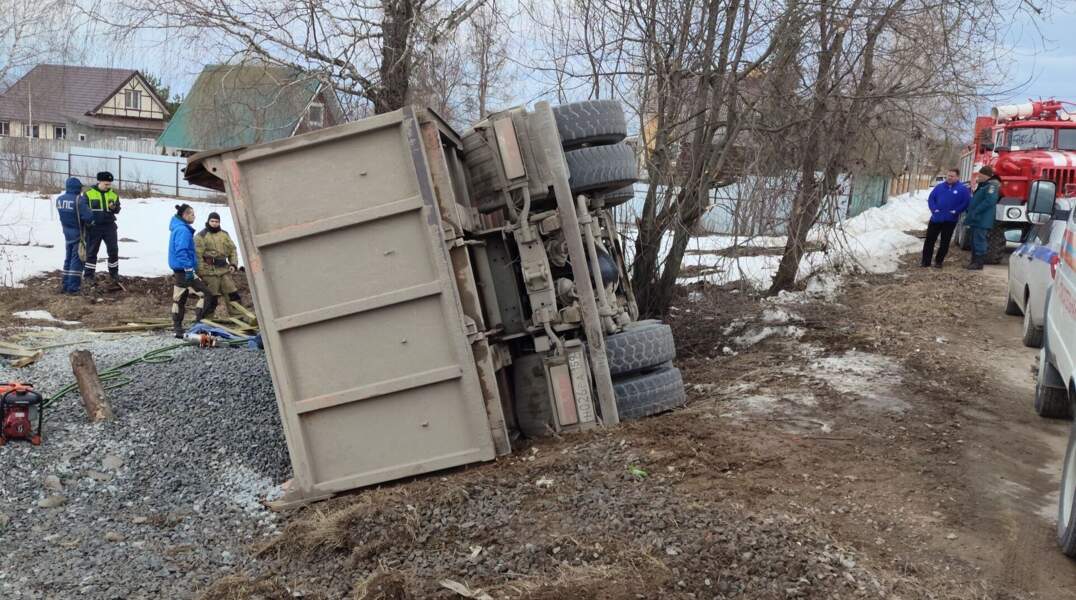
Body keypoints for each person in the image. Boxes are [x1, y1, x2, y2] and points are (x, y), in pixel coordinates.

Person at [169, 204, 215, 338]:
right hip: (184, 271)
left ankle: (178, 329)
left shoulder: (177, 228)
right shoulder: (183, 230)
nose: (194, 217)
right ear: (185, 215)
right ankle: (198, 325)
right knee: (206, 294)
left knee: (179, 299)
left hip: (179, 271)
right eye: (192, 214)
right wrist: (189, 269)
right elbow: (181, 251)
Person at [921, 168, 971, 268]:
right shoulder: (939, 187)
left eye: (952, 176)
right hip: (936, 218)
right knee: (929, 240)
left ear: (957, 177)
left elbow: (966, 202)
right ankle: (925, 262)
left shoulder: (962, 189)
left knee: (945, 242)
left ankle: (938, 262)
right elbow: (931, 199)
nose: (949, 178)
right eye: (948, 175)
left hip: (950, 220)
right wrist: (934, 209)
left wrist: (956, 211)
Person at [194, 212, 241, 316]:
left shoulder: (224, 234)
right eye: (212, 221)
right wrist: (200, 272)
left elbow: (232, 250)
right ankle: (206, 319)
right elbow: (197, 256)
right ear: (208, 221)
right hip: (209, 272)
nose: (214, 223)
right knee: (211, 297)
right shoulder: (201, 236)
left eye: (217, 221)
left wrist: (233, 264)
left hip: (224, 270)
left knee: (232, 293)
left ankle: (239, 316)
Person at [82, 171, 122, 288]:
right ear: (99, 182)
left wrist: (114, 207)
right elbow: (83, 210)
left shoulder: (113, 194)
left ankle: (114, 274)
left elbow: (118, 209)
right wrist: (89, 223)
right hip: (94, 227)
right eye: (106, 184)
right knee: (91, 252)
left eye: (109, 184)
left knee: (113, 251)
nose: (108, 186)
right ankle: (88, 276)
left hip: (109, 226)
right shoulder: (88, 193)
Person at [55, 177, 92, 294]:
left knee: (68, 258)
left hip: (67, 233)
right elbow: (89, 217)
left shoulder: (59, 199)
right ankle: (73, 288)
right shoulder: (79, 200)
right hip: (79, 234)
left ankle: (65, 284)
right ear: (77, 188)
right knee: (77, 260)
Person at [965, 165, 1003, 270]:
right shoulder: (983, 185)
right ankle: (973, 261)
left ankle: (978, 263)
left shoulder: (991, 186)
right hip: (977, 218)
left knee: (979, 240)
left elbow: (990, 201)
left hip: (982, 218)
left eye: (980, 176)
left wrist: (976, 210)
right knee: (974, 240)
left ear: (986, 176)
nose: (979, 177)